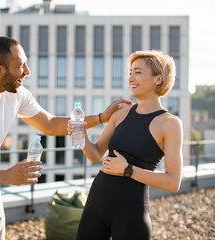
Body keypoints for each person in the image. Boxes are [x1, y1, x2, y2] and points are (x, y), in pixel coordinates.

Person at [0, 36, 131, 240]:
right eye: (20, 65)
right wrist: (6, 176)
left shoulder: (16, 94)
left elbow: (50, 124)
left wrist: (102, 117)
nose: (27, 71)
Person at [68, 50, 183, 240]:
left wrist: (128, 170)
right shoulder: (121, 111)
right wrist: (81, 134)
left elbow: (173, 182)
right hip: (96, 203)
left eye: (137, 72)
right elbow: (96, 154)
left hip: (130, 210)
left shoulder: (170, 123)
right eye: (130, 72)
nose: (131, 78)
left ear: (158, 79)